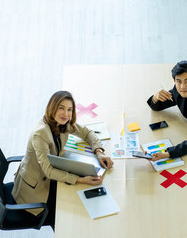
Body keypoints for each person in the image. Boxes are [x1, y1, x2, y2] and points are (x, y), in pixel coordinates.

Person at [12, 90, 114, 230]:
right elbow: (48, 171)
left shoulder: (61, 123)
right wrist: (80, 179)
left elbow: (86, 132)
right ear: (52, 108)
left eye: (70, 109)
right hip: (36, 191)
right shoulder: (40, 133)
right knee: (72, 215)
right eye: (61, 108)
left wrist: (99, 151)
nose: (66, 114)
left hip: (52, 175)